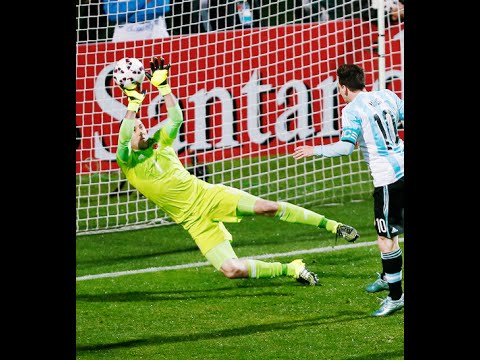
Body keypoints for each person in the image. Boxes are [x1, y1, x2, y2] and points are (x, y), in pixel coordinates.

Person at [115, 56, 360, 286]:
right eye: (137, 128)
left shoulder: (161, 141)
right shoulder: (128, 160)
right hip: (194, 222)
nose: (142, 128)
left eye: (142, 124)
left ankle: (333, 226)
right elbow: (125, 136)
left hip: (209, 195)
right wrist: (133, 103)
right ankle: (292, 269)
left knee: (268, 207)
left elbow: (176, 118)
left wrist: (164, 87)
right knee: (232, 270)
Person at [292, 63, 404, 316]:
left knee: (385, 239)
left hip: (387, 179)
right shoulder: (387, 95)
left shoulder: (352, 110)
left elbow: (345, 148)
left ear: (342, 87)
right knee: (392, 230)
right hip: (403, 168)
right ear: (363, 81)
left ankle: (396, 297)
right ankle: (388, 277)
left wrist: (314, 150)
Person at [102, 0, 171, 42]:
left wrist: (126, 15)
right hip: (124, 39)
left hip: (155, 36)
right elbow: (113, 14)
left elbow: (161, 7)